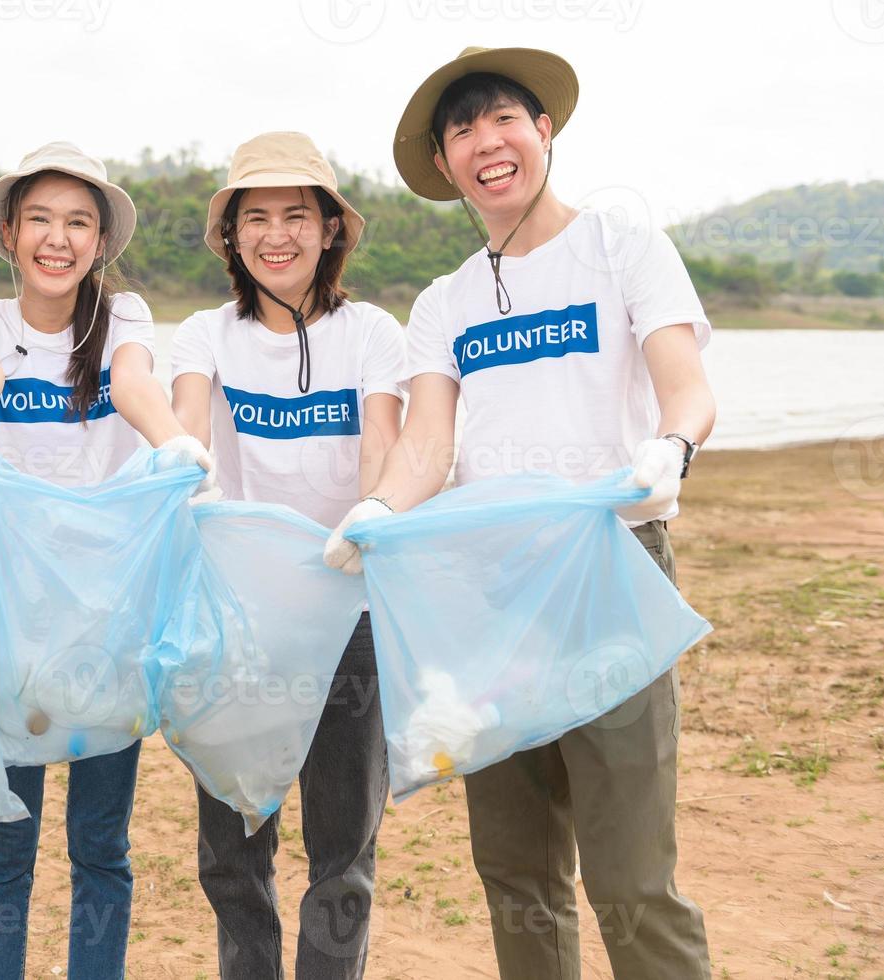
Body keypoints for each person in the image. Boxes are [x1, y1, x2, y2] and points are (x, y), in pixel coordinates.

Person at [325, 47, 715, 979]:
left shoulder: (620, 244)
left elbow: (686, 389)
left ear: (542, 132)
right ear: (446, 163)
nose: (484, 143)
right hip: (488, 596)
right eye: (461, 131)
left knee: (630, 875)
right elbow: (427, 448)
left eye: (502, 120)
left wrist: (670, 451)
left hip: (604, 573)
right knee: (514, 870)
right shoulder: (443, 301)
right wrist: (374, 509)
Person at [0, 141, 213, 980]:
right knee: (2, 837)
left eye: (78, 223)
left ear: (99, 241)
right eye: (42, 221)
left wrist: (175, 444)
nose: (59, 239)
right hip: (8, 601)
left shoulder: (121, 319)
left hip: (105, 604)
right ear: (11, 233)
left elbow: (133, 385)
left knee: (100, 842)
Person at [170, 131, 406, 979]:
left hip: (349, 611)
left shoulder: (373, 332)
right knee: (233, 849)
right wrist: (183, 469)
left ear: (330, 230)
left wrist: (370, 512)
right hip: (237, 622)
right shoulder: (205, 335)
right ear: (231, 236)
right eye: (256, 217)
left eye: (297, 215)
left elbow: (383, 439)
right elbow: (187, 423)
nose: (278, 234)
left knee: (341, 853)